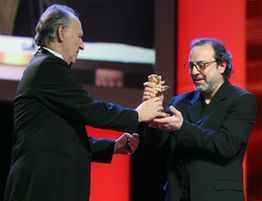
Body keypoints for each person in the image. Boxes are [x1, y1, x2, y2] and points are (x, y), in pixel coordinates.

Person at [3, 4, 164, 201]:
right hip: (43, 186)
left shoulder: (44, 66)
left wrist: (112, 147)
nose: (82, 45)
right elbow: (91, 110)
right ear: (61, 32)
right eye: (79, 36)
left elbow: (60, 137)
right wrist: (138, 114)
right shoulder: (48, 68)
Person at [142, 38, 257, 201]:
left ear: (222, 66)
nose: (195, 72)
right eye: (191, 66)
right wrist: (153, 110)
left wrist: (182, 127)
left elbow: (227, 146)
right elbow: (156, 143)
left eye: (202, 65)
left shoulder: (241, 100)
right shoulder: (179, 102)